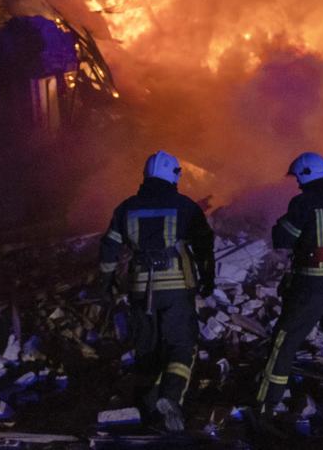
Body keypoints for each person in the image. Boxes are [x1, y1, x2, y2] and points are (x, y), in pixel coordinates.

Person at [98, 150, 215, 433]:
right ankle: (170, 397)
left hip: (140, 287)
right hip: (175, 286)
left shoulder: (126, 208)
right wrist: (208, 278)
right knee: (181, 345)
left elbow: (109, 248)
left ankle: (146, 412)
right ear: (174, 175)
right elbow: (204, 245)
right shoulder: (185, 206)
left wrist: (106, 282)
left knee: (147, 348)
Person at [256, 152, 323, 433]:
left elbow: (283, 239)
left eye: (298, 179)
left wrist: (281, 225)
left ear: (304, 174)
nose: (297, 185)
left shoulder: (304, 203)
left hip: (313, 283)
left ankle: (266, 406)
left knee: (284, 341)